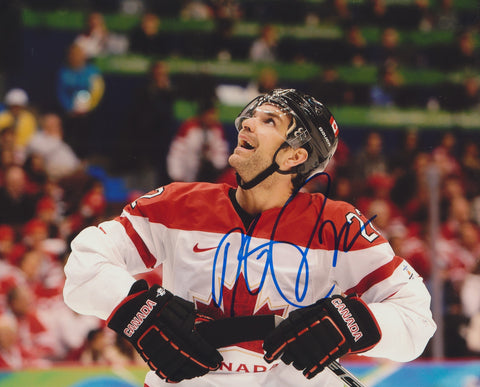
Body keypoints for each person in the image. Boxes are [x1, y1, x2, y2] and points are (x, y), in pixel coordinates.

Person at [64, 89, 436, 386]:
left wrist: (349, 323)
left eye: (268, 121)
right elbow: (83, 267)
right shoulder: (179, 204)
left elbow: (416, 320)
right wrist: (137, 312)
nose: (245, 125)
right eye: (250, 117)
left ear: (294, 156)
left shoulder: (339, 227)